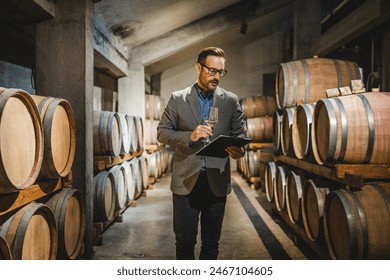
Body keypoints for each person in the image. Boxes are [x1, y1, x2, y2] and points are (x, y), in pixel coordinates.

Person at [157, 47, 247, 260]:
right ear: (198, 67)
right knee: (185, 242)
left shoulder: (230, 100)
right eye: (212, 71)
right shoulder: (178, 98)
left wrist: (239, 150)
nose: (217, 77)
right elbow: (162, 133)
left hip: (216, 182)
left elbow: (240, 134)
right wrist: (190, 136)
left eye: (221, 72)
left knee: (211, 244)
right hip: (185, 181)